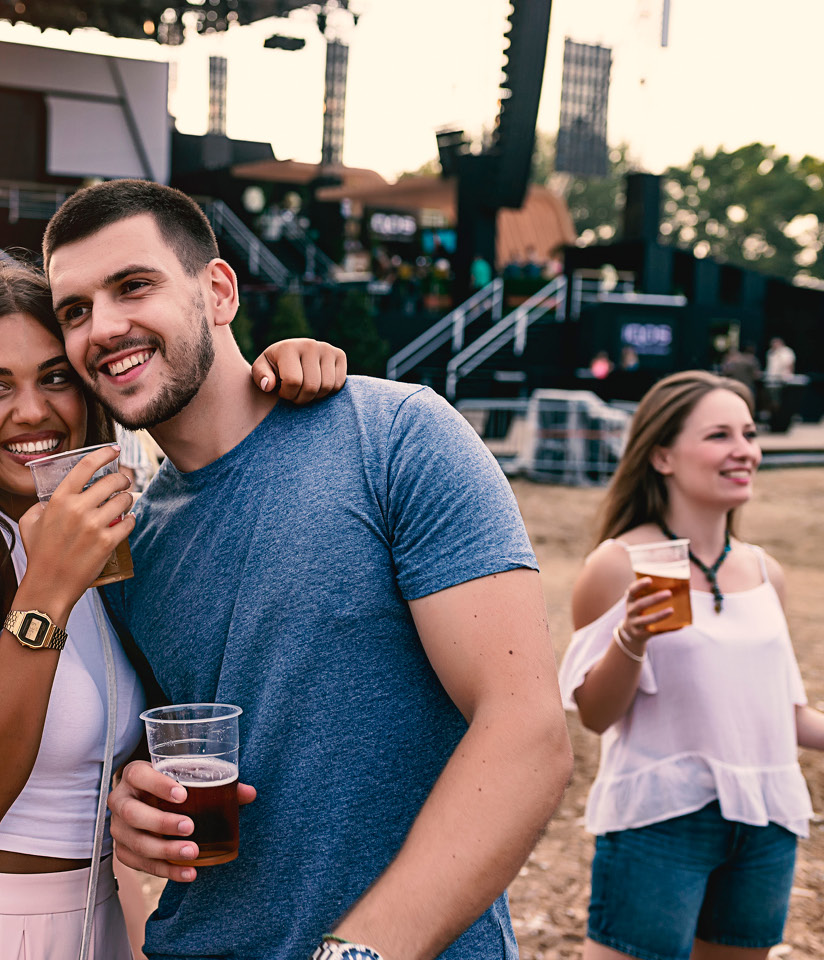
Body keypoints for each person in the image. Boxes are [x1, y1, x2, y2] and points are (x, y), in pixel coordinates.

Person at [42, 179, 573, 960]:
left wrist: (354, 953)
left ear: (217, 290)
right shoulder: (124, 549)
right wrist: (134, 804)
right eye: (75, 311)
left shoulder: (396, 436)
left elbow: (527, 733)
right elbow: (167, 744)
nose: (104, 328)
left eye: (133, 286)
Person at [0, 260, 346, 960]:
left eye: (55, 378)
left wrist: (276, 372)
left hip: (94, 926)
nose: (31, 412)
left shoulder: (103, 543)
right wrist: (46, 588)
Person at [558, 371, 824, 960]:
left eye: (749, 434)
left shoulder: (765, 572)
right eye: (719, 435)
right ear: (662, 456)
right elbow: (597, 717)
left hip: (767, 823)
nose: (744, 451)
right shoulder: (618, 564)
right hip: (661, 822)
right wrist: (632, 637)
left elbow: (787, 715)